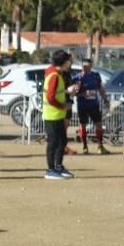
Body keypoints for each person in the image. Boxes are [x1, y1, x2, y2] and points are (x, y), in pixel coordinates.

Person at [43, 50, 76, 179]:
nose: (70, 63)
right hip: (52, 115)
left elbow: (57, 92)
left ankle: (58, 166)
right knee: (53, 142)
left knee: (62, 141)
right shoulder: (54, 76)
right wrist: (63, 106)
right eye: (68, 60)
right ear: (64, 62)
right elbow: (50, 97)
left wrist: (67, 91)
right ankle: (50, 170)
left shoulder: (57, 74)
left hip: (57, 115)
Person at [73, 58, 111, 154]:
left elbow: (100, 88)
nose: (86, 68)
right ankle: (85, 146)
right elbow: (73, 92)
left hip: (94, 104)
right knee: (83, 125)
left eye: (88, 66)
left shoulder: (96, 76)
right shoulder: (78, 77)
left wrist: (106, 99)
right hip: (82, 104)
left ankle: (100, 146)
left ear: (91, 66)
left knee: (99, 124)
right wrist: (83, 94)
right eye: (84, 66)